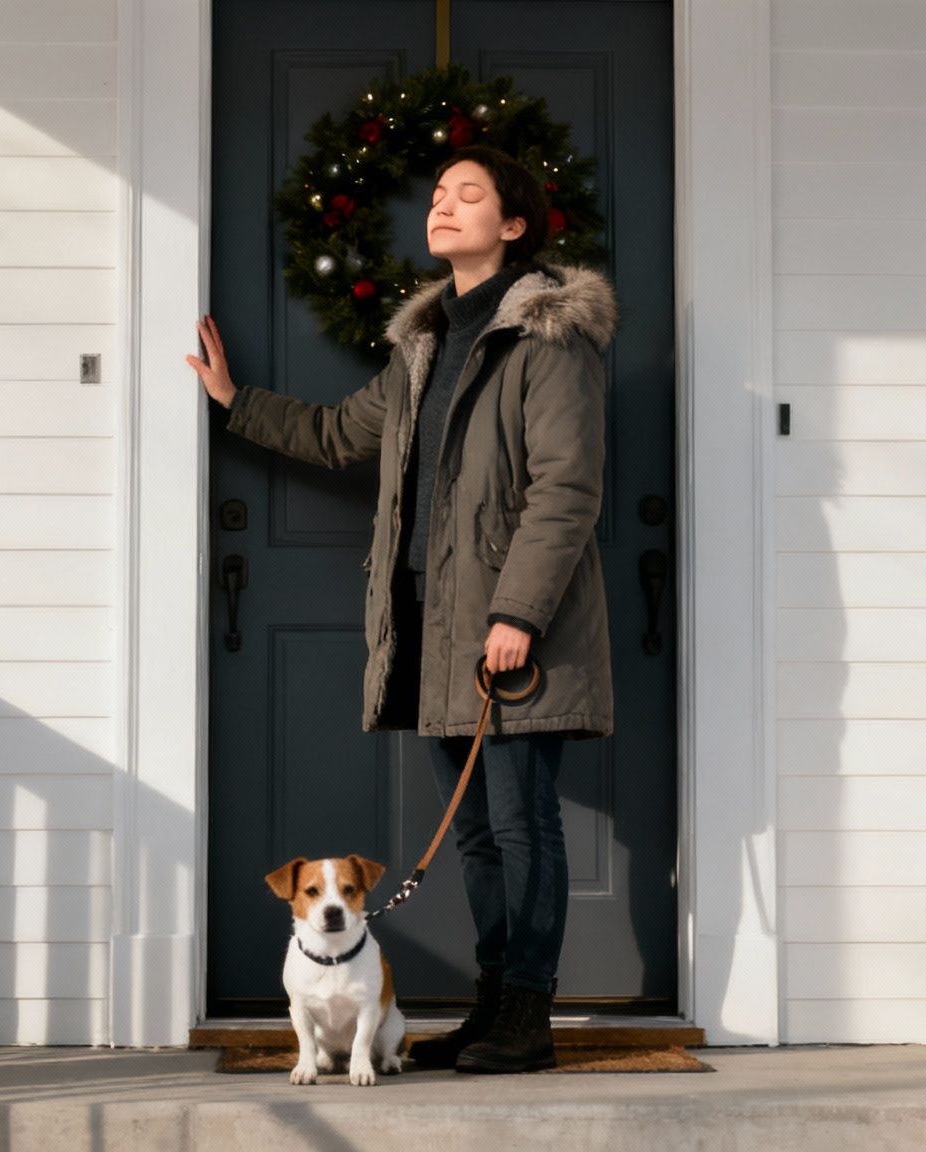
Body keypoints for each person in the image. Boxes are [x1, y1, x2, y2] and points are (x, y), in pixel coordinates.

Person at [188, 143, 617, 1074]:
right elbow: (343, 434)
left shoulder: (549, 337)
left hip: (508, 627)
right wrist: (235, 404)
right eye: (437, 194)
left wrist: (521, 614)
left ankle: (527, 1016)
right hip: (429, 624)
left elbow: (567, 488)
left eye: (470, 194)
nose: (444, 205)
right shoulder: (423, 344)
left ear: (513, 225)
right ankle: (493, 1005)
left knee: (520, 823)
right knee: (473, 832)